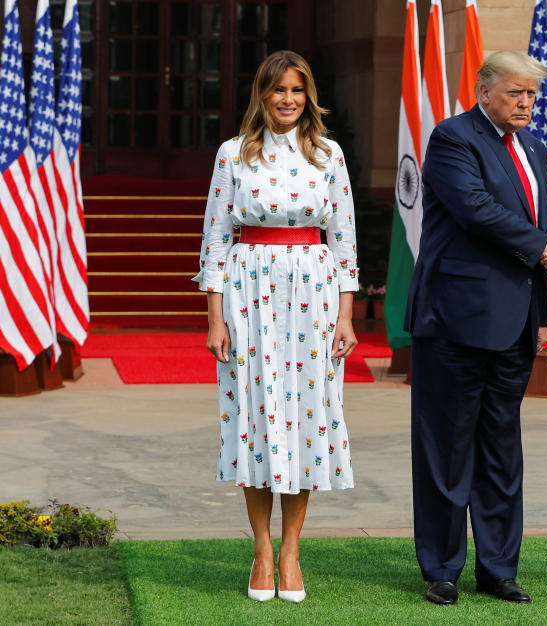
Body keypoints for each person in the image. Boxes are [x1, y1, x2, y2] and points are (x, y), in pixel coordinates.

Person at [193, 50, 359, 603]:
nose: (288, 99)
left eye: (297, 89)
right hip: (248, 293)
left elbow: (344, 238)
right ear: (261, 95)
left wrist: (345, 314)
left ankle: (291, 552)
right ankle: (261, 549)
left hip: (312, 291)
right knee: (256, 418)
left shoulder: (329, 155)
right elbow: (216, 238)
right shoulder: (233, 154)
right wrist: (215, 318)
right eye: (277, 90)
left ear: (308, 95)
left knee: (305, 423)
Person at [404, 50, 547, 606]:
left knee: (501, 449)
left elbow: (532, 219)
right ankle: (442, 568)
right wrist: (542, 246)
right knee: (446, 447)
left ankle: (498, 569)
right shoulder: (453, 138)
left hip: (514, 324)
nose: (526, 103)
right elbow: (474, 210)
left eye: (532, 95)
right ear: (484, 90)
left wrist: (539, 316)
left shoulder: (534, 147)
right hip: (455, 319)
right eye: (516, 93)